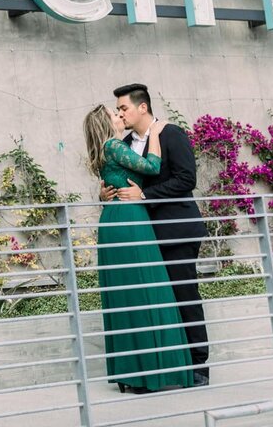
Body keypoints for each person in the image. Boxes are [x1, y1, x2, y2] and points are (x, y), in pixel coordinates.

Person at [103, 83, 211, 387]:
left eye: (123, 107)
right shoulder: (122, 142)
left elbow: (186, 179)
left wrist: (145, 196)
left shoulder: (170, 133)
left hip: (175, 230)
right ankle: (164, 366)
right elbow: (123, 181)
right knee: (156, 301)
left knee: (183, 295)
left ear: (142, 107)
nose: (120, 113)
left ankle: (198, 364)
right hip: (143, 236)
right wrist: (108, 190)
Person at [84, 105, 194, 393]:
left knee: (129, 293)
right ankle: (149, 374)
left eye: (121, 110)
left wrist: (103, 191)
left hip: (119, 219)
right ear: (105, 124)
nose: (119, 116)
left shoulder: (108, 149)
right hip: (128, 221)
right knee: (144, 290)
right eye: (114, 114)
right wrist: (156, 133)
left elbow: (113, 180)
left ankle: (136, 373)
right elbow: (153, 167)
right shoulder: (114, 145)